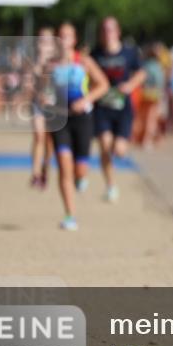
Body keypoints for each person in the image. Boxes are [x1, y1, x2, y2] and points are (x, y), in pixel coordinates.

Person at [38, 23, 109, 230]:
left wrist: (86, 100)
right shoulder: (50, 65)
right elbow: (41, 90)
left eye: (67, 36)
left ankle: (81, 178)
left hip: (82, 119)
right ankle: (70, 215)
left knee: (80, 170)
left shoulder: (84, 61)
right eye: (60, 36)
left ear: (74, 39)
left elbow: (103, 84)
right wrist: (44, 97)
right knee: (63, 165)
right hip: (59, 118)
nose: (63, 40)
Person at [90, 16, 145, 202]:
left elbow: (141, 72)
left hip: (122, 108)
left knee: (119, 150)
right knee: (105, 148)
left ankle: (119, 148)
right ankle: (111, 185)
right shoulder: (95, 53)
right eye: (104, 30)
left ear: (118, 31)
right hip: (102, 108)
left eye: (111, 29)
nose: (108, 33)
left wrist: (130, 85)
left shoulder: (129, 52)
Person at [28, 27, 57, 189]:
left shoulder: (58, 61)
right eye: (41, 40)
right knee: (38, 136)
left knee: (49, 141)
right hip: (38, 104)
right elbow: (30, 84)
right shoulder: (34, 61)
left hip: (54, 107)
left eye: (47, 41)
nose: (44, 44)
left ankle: (45, 168)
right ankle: (35, 173)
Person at [139, 43, 167, 148]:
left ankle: (148, 139)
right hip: (154, 94)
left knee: (147, 117)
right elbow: (160, 81)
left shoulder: (145, 64)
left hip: (146, 92)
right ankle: (147, 140)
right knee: (151, 118)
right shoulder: (155, 66)